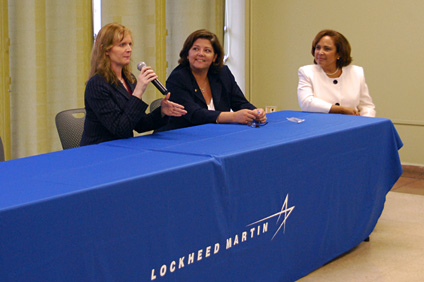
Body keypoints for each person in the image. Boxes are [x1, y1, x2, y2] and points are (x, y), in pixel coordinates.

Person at [80, 23, 186, 146]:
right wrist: (138, 92)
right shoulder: (97, 84)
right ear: (106, 50)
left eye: (130, 44)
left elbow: (140, 124)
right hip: (99, 151)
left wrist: (161, 112)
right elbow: (120, 130)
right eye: (122, 45)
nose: (129, 49)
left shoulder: (129, 79)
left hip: (123, 148)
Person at [157, 29, 266, 131]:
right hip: (182, 137)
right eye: (195, 49)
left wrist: (255, 112)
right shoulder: (177, 78)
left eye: (207, 50)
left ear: (214, 57)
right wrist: (233, 116)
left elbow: (240, 102)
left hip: (216, 134)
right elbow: (194, 115)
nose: (201, 53)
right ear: (187, 54)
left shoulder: (222, 73)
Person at [297, 29, 376, 117]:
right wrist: (341, 110)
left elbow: (366, 106)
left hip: (352, 125)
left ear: (339, 54)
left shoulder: (356, 72)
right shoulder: (306, 72)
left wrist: (367, 123)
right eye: (318, 47)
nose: (320, 52)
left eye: (327, 49)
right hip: (320, 126)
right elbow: (306, 103)